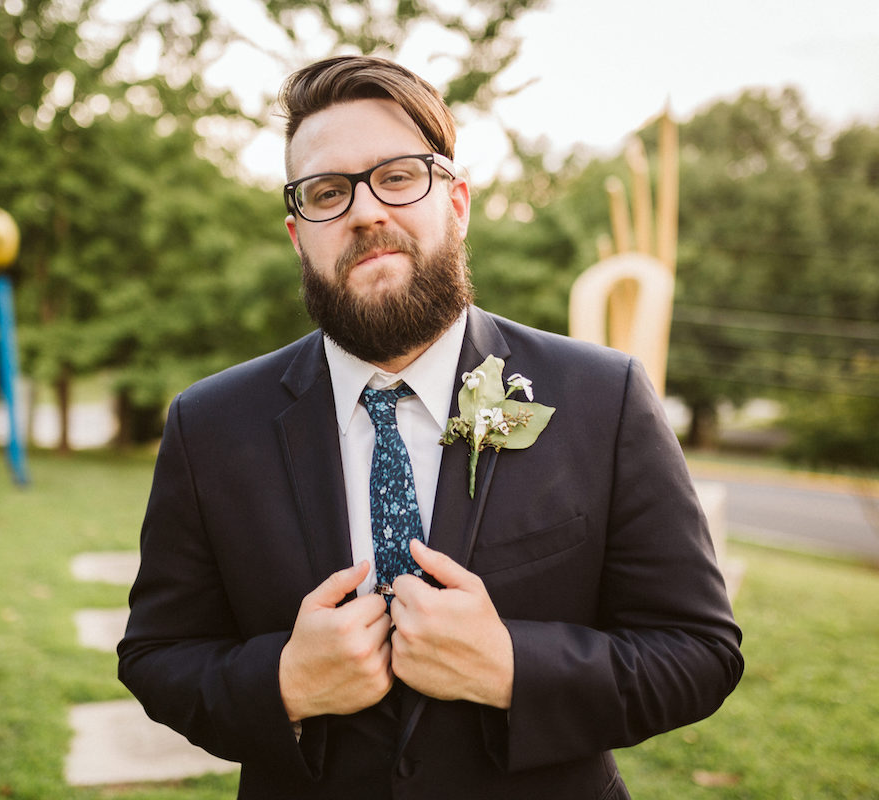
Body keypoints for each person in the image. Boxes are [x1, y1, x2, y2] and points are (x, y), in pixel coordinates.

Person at [118, 55, 743, 799]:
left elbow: (698, 651)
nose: (365, 210)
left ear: (458, 202)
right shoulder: (209, 424)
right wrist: (282, 681)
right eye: (327, 191)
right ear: (297, 235)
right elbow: (158, 654)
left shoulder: (603, 398)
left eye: (399, 175)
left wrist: (511, 666)